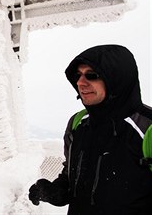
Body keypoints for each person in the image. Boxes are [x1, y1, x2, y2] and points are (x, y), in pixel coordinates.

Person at [28, 45, 152, 214]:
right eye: (78, 75)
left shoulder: (147, 129)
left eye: (91, 75)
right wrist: (56, 191)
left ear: (116, 79)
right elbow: (72, 174)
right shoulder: (78, 123)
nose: (80, 82)